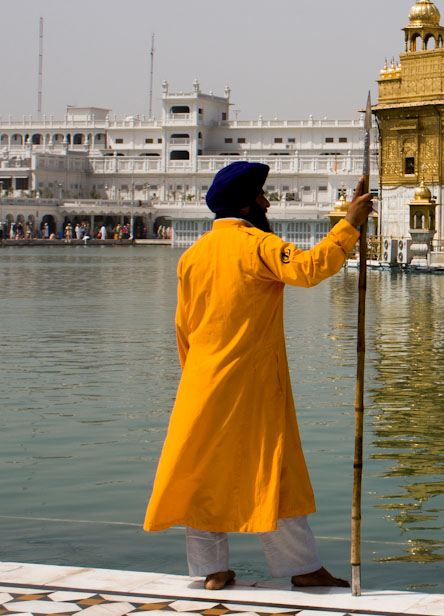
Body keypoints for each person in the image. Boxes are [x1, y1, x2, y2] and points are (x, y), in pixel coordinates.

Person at [143, 161, 373, 591]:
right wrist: (350, 225)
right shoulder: (257, 245)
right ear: (248, 205)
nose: (268, 204)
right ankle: (302, 567)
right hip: (251, 384)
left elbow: (183, 327)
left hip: (200, 382)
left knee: (202, 472)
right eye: (263, 197)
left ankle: (212, 571)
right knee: (275, 467)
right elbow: (309, 269)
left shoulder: (192, 255)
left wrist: (197, 378)